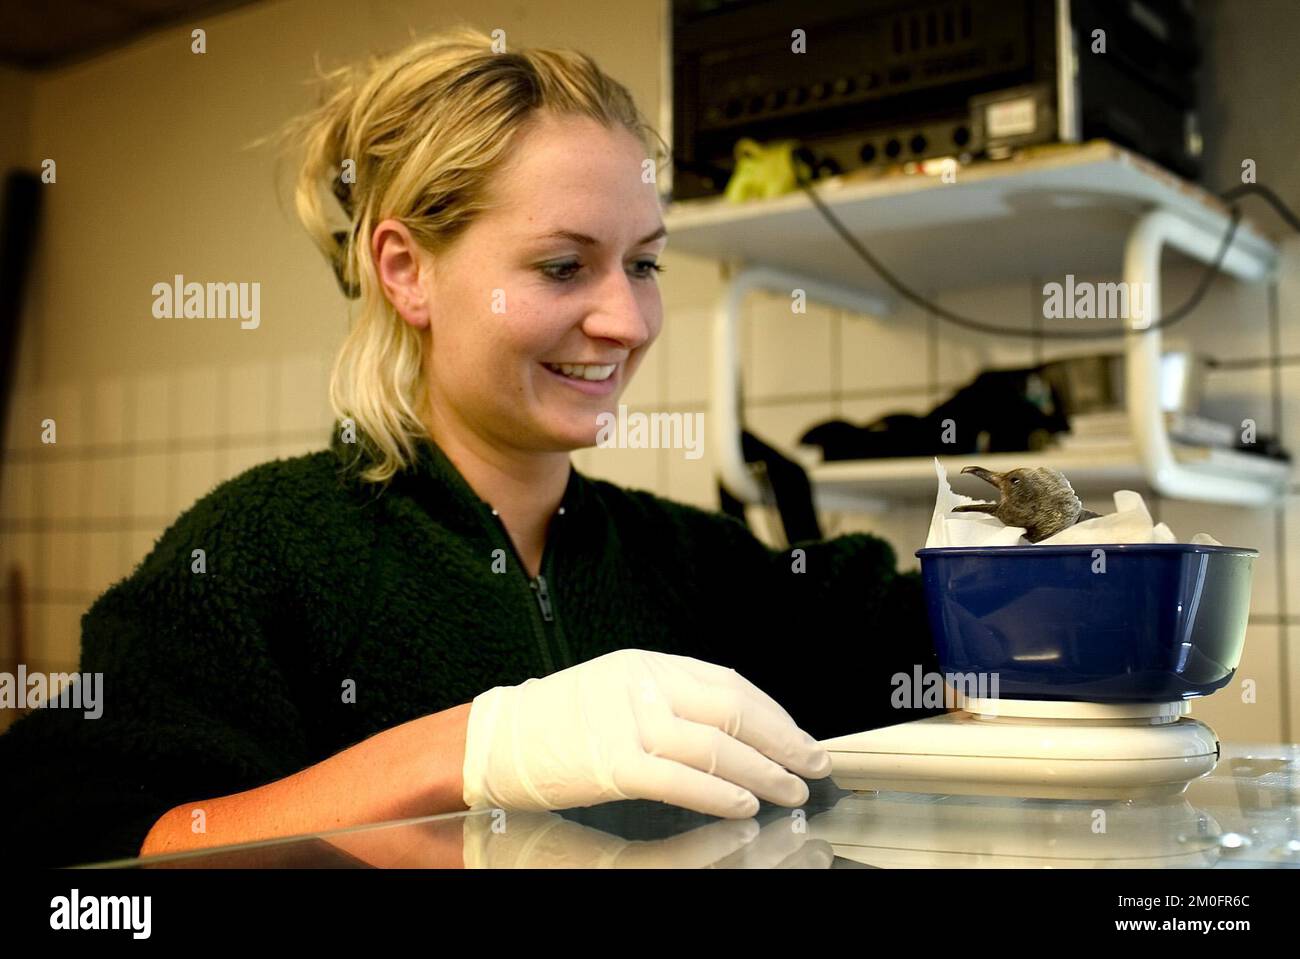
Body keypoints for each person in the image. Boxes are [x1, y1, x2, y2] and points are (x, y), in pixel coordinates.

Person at [0, 25, 943, 868]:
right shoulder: (260, 552)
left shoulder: (688, 563)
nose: (626, 319)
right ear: (407, 271)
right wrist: (470, 750)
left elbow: (924, 642)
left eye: (645, 264)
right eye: (563, 266)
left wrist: (1059, 549)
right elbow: (77, 838)